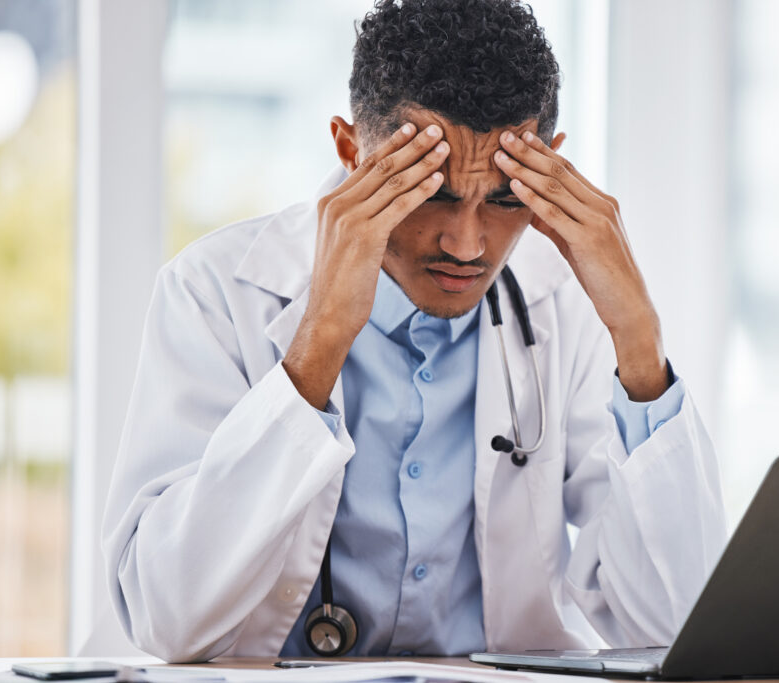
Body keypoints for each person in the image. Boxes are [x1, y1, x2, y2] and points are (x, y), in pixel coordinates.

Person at [102, 0, 726, 664]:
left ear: (552, 169)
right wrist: (317, 347)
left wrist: (638, 339)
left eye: (507, 198)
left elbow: (682, 628)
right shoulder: (216, 293)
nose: (466, 243)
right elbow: (163, 615)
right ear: (350, 150)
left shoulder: (566, 308)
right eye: (433, 190)